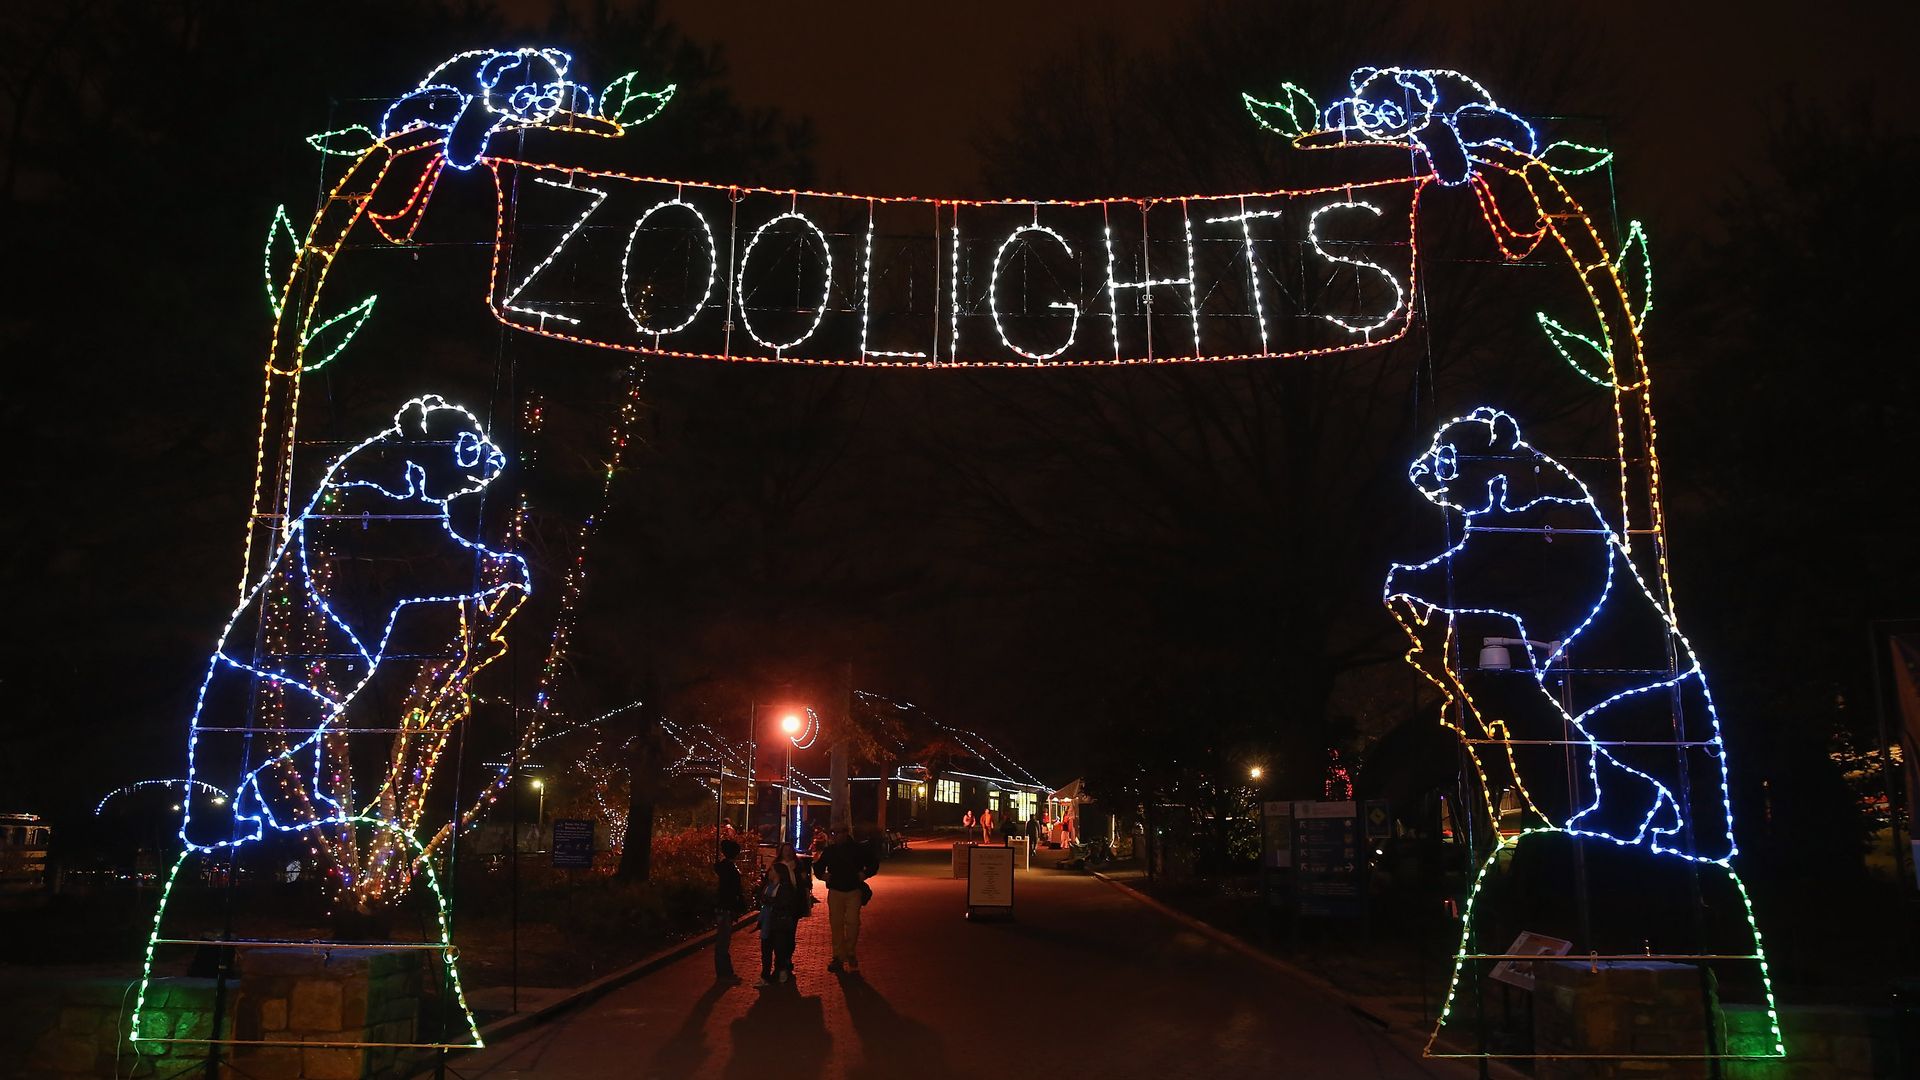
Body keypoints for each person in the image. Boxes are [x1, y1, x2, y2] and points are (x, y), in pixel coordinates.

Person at [816, 829, 878, 972]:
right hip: (836, 890)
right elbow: (819, 866)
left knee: (852, 922)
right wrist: (822, 875)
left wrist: (865, 874)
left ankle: (849, 952)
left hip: (852, 890)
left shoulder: (857, 849)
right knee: (836, 924)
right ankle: (839, 956)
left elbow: (873, 863)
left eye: (839, 833)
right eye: (835, 833)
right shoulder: (831, 850)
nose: (836, 836)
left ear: (845, 833)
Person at [756, 860, 803, 985]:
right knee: (766, 951)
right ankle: (765, 976)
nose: (769, 872)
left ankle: (782, 970)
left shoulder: (785, 888)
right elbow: (761, 897)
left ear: (778, 873)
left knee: (779, 949)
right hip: (767, 922)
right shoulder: (767, 885)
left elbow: (784, 903)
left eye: (772, 870)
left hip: (779, 923)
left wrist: (769, 901)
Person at [713, 839, 746, 982]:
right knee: (723, 942)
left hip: (723, 907)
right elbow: (731, 890)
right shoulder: (729, 869)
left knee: (723, 941)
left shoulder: (723, 867)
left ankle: (725, 972)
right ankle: (724, 974)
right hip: (726, 908)